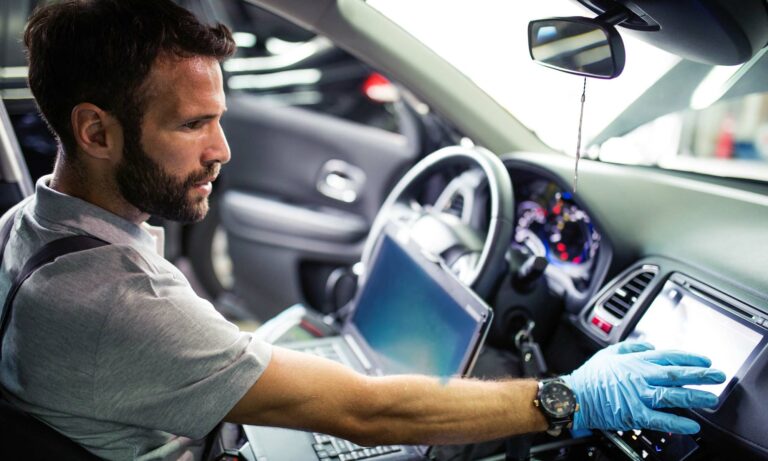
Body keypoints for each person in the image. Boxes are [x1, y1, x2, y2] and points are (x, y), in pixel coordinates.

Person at [0, 1, 725, 460]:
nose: (222, 150)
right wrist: (567, 398)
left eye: (219, 117)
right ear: (96, 130)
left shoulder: (30, 228)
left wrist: (250, 356)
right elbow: (365, 409)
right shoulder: (113, 301)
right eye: (193, 124)